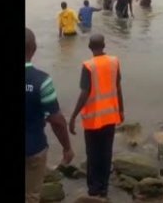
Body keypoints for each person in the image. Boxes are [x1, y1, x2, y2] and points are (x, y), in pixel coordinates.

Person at [69, 34, 124, 198]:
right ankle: (104, 188)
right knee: (106, 152)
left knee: (93, 154)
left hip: (93, 119)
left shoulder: (88, 66)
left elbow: (84, 93)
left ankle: (94, 189)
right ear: (104, 45)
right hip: (110, 117)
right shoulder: (114, 62)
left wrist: (72, 117)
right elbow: (118, 87)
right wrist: (121, 110)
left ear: (89, 47)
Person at [25, 28, 75, 203]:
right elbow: (56, 121)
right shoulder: (42, 81)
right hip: (33, 149)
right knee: (31, 196)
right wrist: (67, 147)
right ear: (35, 48)